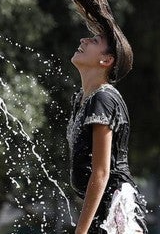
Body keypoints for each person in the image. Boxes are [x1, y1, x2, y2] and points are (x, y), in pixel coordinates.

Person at [67, 33, 147, 234]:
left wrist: (80, 232)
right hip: (106, 209)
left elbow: (101, 172)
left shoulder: (102, 98)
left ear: (107, 60)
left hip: (116, 209)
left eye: (93, 41)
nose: (82, 40)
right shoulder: (82, 99)